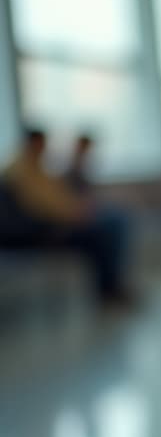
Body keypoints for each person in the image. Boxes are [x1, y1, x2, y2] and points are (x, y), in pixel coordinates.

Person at [1, 129, 133, 305]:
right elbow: (40, 206)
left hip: (52, 224)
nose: (44, 149)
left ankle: (111, 287)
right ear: (33, 144)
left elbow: (57, 198)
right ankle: (108, 290)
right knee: (104, 232)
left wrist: (76, 211)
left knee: (112, 222)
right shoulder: (21, 171)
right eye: (41, 144)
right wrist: (73, 214)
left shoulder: (37, 168)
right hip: (40, 232)